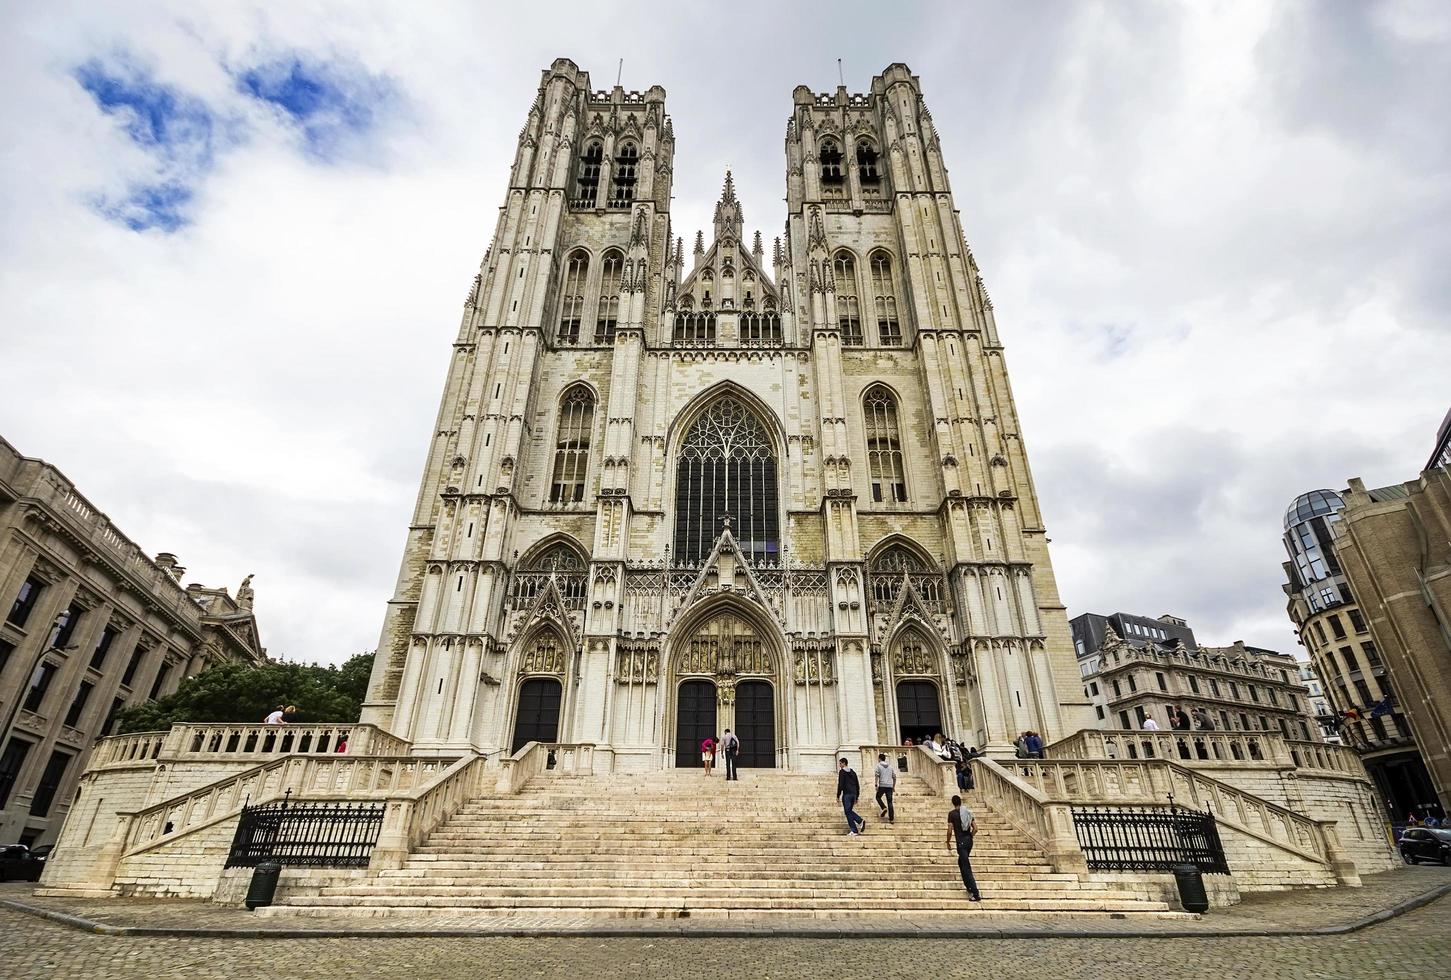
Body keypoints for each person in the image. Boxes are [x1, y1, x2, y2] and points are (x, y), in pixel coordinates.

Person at [946, 793, 982, 902]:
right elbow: (975, 828)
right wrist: (970, 836)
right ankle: (969, 887)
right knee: (961, 863)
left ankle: (975, 892)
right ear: (960, 802)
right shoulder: (967, 812)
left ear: (953, 803)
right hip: (969, 841)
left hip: (961, 842)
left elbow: (949, 830)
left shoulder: (952, 814)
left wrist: (947, 842)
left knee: (966, 867)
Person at [837, 758, 866, 836]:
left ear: (843, 763)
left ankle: (857, 826)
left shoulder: (842, 772)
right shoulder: (853, 772)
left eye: (840, 763)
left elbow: (840, 784)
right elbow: (857, 784)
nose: (839, 765)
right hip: (853, 794)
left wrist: (838, 795)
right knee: (849, 811)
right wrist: (857, 796)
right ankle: (857, 826)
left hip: (847, 795)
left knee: (848, 812)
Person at [873, 752, 896, 822]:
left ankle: (883, 807)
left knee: (878, 797)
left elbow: (876, 775)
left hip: (882, 785)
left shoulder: (878, 766)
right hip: (889, 786)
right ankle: (891, 819)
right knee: (890, 802)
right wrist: (893, 786)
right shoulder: (890, 766)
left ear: (879, 759)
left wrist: (876, 784)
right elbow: (894, 777)